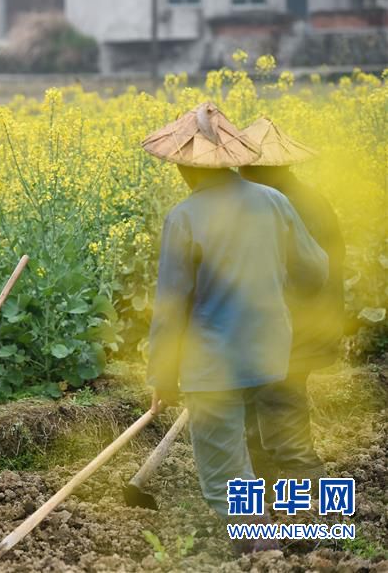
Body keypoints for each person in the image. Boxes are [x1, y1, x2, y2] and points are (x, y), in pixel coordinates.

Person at [142, 103, 329, 553]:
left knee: (226, 471)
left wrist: (163, 377)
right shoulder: (274, 201)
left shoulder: (184, 218)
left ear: (184, 168)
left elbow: (171, 309)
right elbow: (315, 271)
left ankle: (264, 552)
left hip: (214, 365)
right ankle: (314, 528)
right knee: (267, 444)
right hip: (272, 351)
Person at [239, 117, 346, 490]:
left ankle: (314, 509)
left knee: (283, 420)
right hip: (287, 329)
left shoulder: (284, 205)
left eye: (243, 166)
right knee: (254, 414)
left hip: (293, 332)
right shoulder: (297, 198)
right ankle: (263, 499)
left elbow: (299, 279)